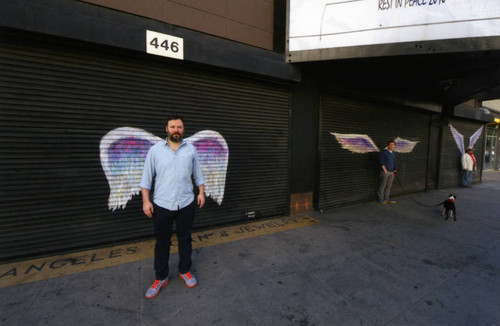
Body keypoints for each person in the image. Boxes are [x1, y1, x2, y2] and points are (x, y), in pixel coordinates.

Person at [140, 115, 205, 299]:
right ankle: (161, 276)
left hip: (186, 202)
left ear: (183, 130)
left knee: (185, 239)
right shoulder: (155, 151)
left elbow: (198, 174)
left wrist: (201, 193)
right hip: (162, 204)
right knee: (162, 242)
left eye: (179, 127)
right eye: (173, 126)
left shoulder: (191, 150)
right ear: (166, 128)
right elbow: (146, 179)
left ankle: (185, 270)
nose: (176, 130)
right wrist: (146, 201)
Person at [378, 140, 397, 204]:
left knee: (389, 186)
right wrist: (385, 170)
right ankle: (381, 198)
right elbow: (381, 162)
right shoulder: (384, 152)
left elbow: (394, 162)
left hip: (391, 172)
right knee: (383, 185)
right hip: (385, 172)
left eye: (393, 145)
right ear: (388, 145)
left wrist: (395, 169)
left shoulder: (393, 153)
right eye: (390, 144)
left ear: (394, 146)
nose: (392, 146)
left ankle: (387, 198)